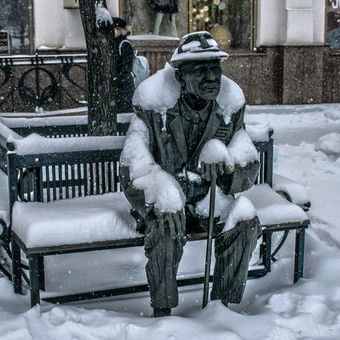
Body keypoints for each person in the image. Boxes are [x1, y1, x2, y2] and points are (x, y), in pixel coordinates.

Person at [119, 32, 261, 317]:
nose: (212, 78)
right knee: (166, 227)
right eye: (201, 70)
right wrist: (161, 191)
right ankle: (163, 313)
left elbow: (248, 160)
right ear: (181, 77)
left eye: (215, 69)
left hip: (209, 199)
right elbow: (132, 165)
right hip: (167, 203)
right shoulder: (153, 106)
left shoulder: (230, 106)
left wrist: (227, 170)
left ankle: (223, 308)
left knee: (245, 221)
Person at [112, 17, 135, 113]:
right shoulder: (114, 43)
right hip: (118, 85)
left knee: (123, 113)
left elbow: (127, 67)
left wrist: (118, 79)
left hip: (123, 87)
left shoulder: (124, 44)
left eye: (115, 29)